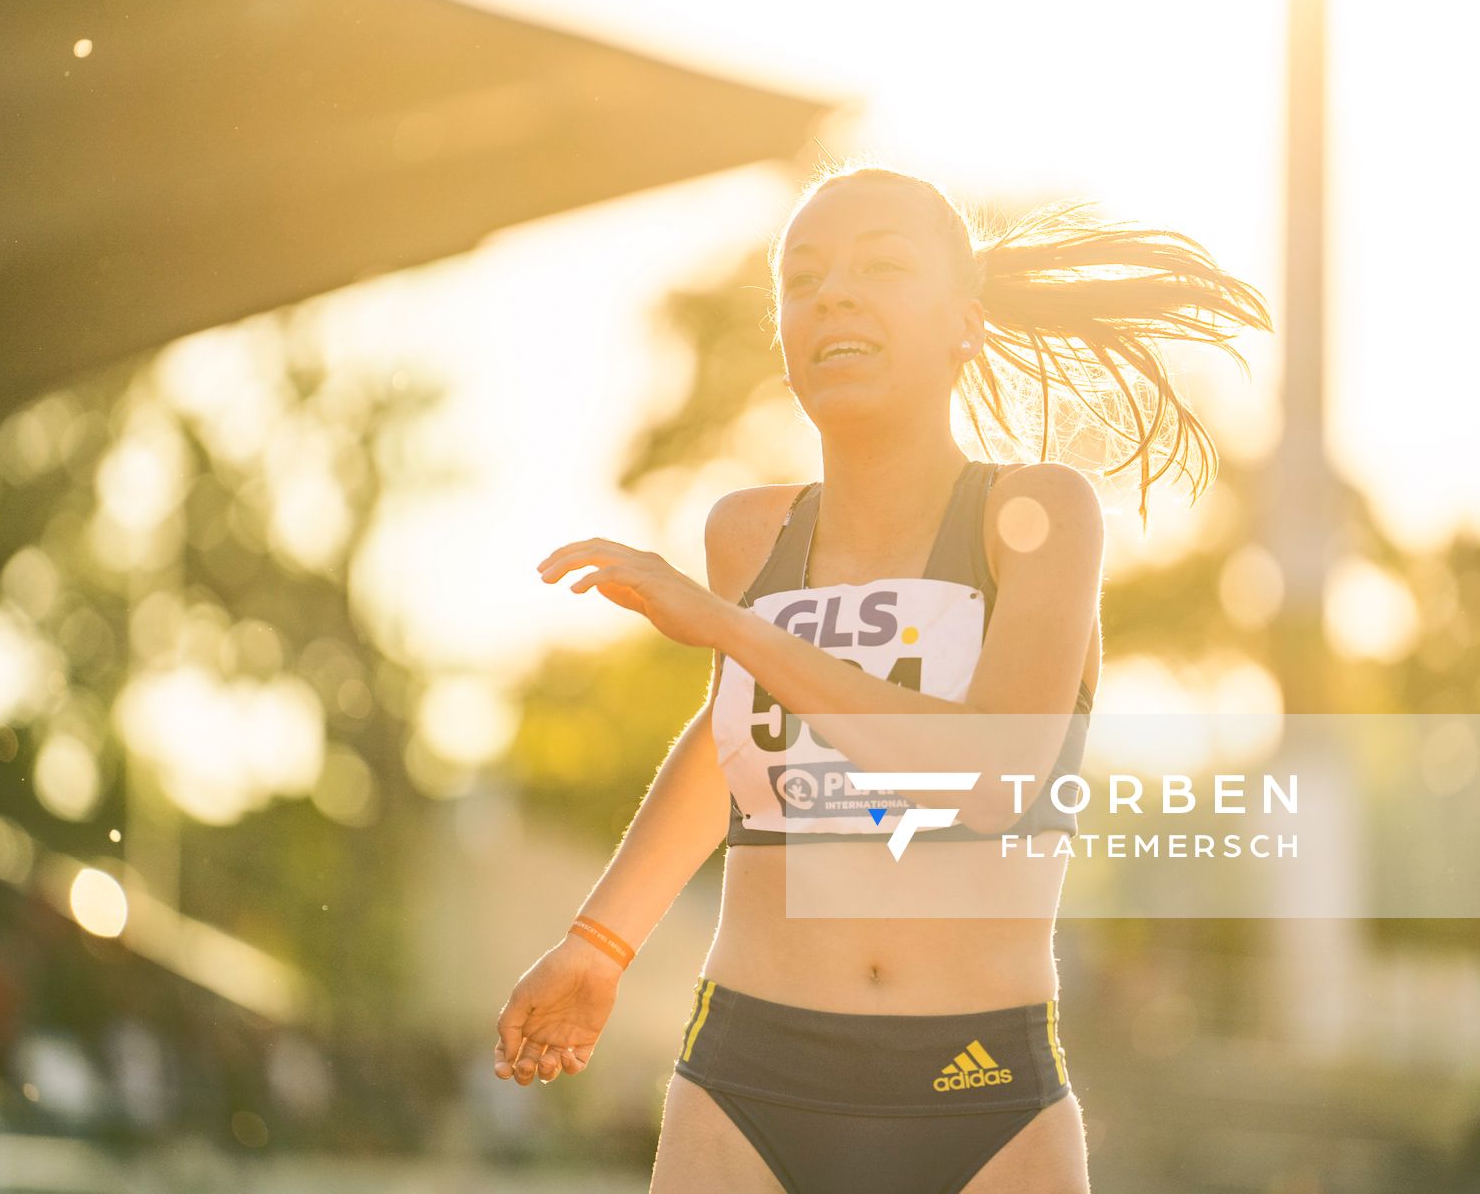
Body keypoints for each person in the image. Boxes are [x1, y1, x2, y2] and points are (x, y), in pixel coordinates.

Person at [497, 162, 1269, 1193]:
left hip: (982, 1090)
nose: (836, 294)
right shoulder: (749, 530)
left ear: (966, 323)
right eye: (803, 278)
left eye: (883, 266)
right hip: (746, 1080)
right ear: (784, 336)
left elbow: (991, 773)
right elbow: (730, 743)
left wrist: (731, 625)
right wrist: (598, 943)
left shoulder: (1034, 514)